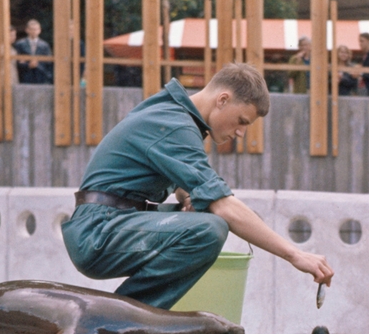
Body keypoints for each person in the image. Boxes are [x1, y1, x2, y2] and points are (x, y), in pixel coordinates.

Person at [63, 63, 333, 311]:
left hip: (108, 222)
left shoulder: (173, 113)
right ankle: (124, 317)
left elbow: (174, 178)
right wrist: (295, 254)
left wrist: (189, 194)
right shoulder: (175, 126)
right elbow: (224, 206)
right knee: (210, 228)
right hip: (97, 232)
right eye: (242, 121)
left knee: (205, 219)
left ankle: (130, 313)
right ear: (223, 99)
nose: (241, 133)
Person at [15, 19, 53, 85]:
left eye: (36, 29)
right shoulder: (20, 44)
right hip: (25, 77)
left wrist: (38, 64)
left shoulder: (45, 45)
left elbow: (49, 63)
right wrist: (28, 65)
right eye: (32, 29)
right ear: (27, 30)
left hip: (41, 77)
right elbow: (17, 62)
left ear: (39, 30)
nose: (34, 31)